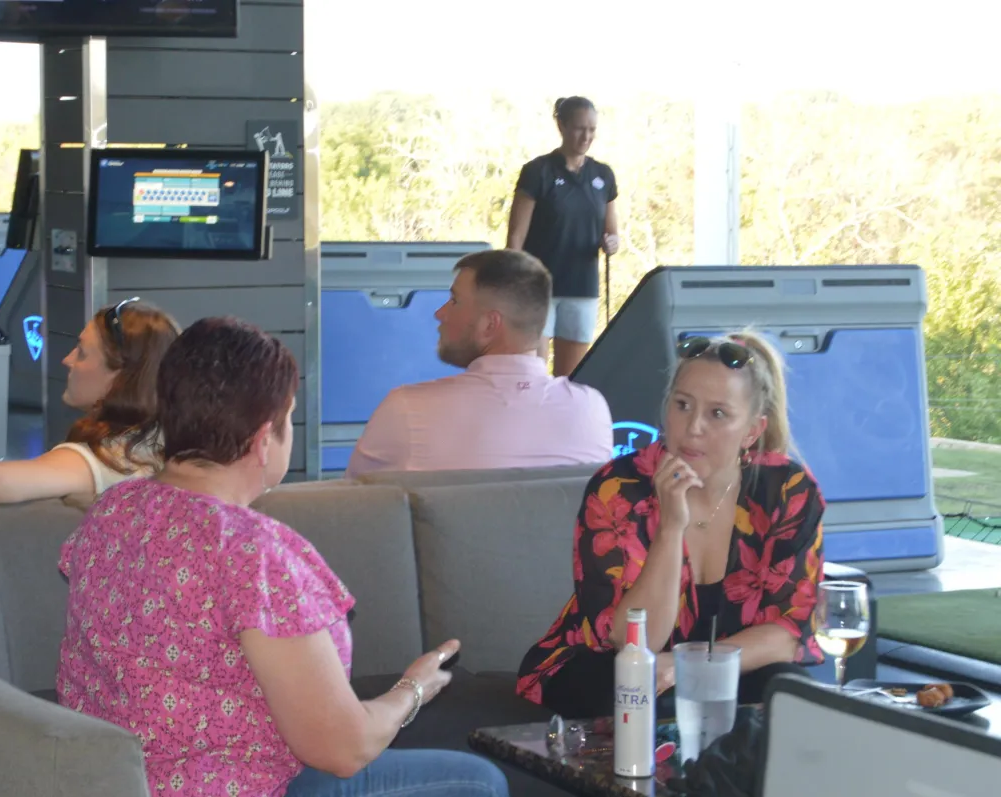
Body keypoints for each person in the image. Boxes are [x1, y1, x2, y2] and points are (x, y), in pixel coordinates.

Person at [57, 316, 509, 797]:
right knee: (478, 782)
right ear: (262, 440)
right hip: (233, 788)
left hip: (112, 781)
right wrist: (412, 690)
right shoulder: (254, 554)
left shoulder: (113, 509)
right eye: (289, 418)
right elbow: (343, 749)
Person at [516, 330, 825, 717]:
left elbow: (786, 634)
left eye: (717, 414)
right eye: (682, 405)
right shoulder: (620, 487)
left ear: (752, 431)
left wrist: (689, 666)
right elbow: (636, 642)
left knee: (792, 692)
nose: (693, 427)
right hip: (606, 667)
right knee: (644, 696)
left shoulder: (786, 491)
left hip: (716, 668)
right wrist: (671, 528)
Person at [345, 249, 613, 478]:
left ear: (489, 325)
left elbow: (354, 507)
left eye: (454, 301)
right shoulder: (591, 410)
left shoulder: (406, 411)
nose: (440, 313)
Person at [0, 299, 179, 505]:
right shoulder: (168, 441)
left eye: (81, 353)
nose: (67, 360)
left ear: (119, 377)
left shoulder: (111, 458)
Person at [506, 96, 620, 378]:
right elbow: (516, 237)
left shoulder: (603, 175)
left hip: (582, 287)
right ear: (562, 126)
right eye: (580, 128)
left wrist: (612, 243)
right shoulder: (538, 171)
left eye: (592, 130)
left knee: (570, 381)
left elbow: (612, 234)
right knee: (533, 374)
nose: (586, 136)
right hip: (538, 288)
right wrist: (513, 283)